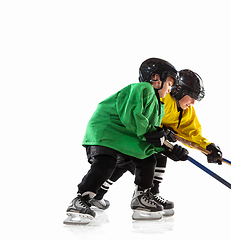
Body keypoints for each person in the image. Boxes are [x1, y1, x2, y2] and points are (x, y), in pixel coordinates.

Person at [64, 58, 188, 224]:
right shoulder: (143, 88)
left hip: (125, 137)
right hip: (107, 131)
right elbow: (134, 118)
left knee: (148, 158)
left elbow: (150, 136)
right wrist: (161, 138)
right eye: (169, 83)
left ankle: (141, 196)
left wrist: (169, 148)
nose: (170, 89)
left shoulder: (160, 105)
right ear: (156, 78)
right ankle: (82, 198)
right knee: (105, 164)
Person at [91, 69, 223, 217]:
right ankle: (145, 194)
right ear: (178, 90)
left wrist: (208, 148)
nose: (193, 102)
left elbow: (191, 134)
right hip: (130, 135)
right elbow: (144, 120)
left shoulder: (186, 111)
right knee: (140, 159)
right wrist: (164, 137)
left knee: (127, 163)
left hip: (143, 140)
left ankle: (99, 194)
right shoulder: (162, 99)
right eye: (191, 97)